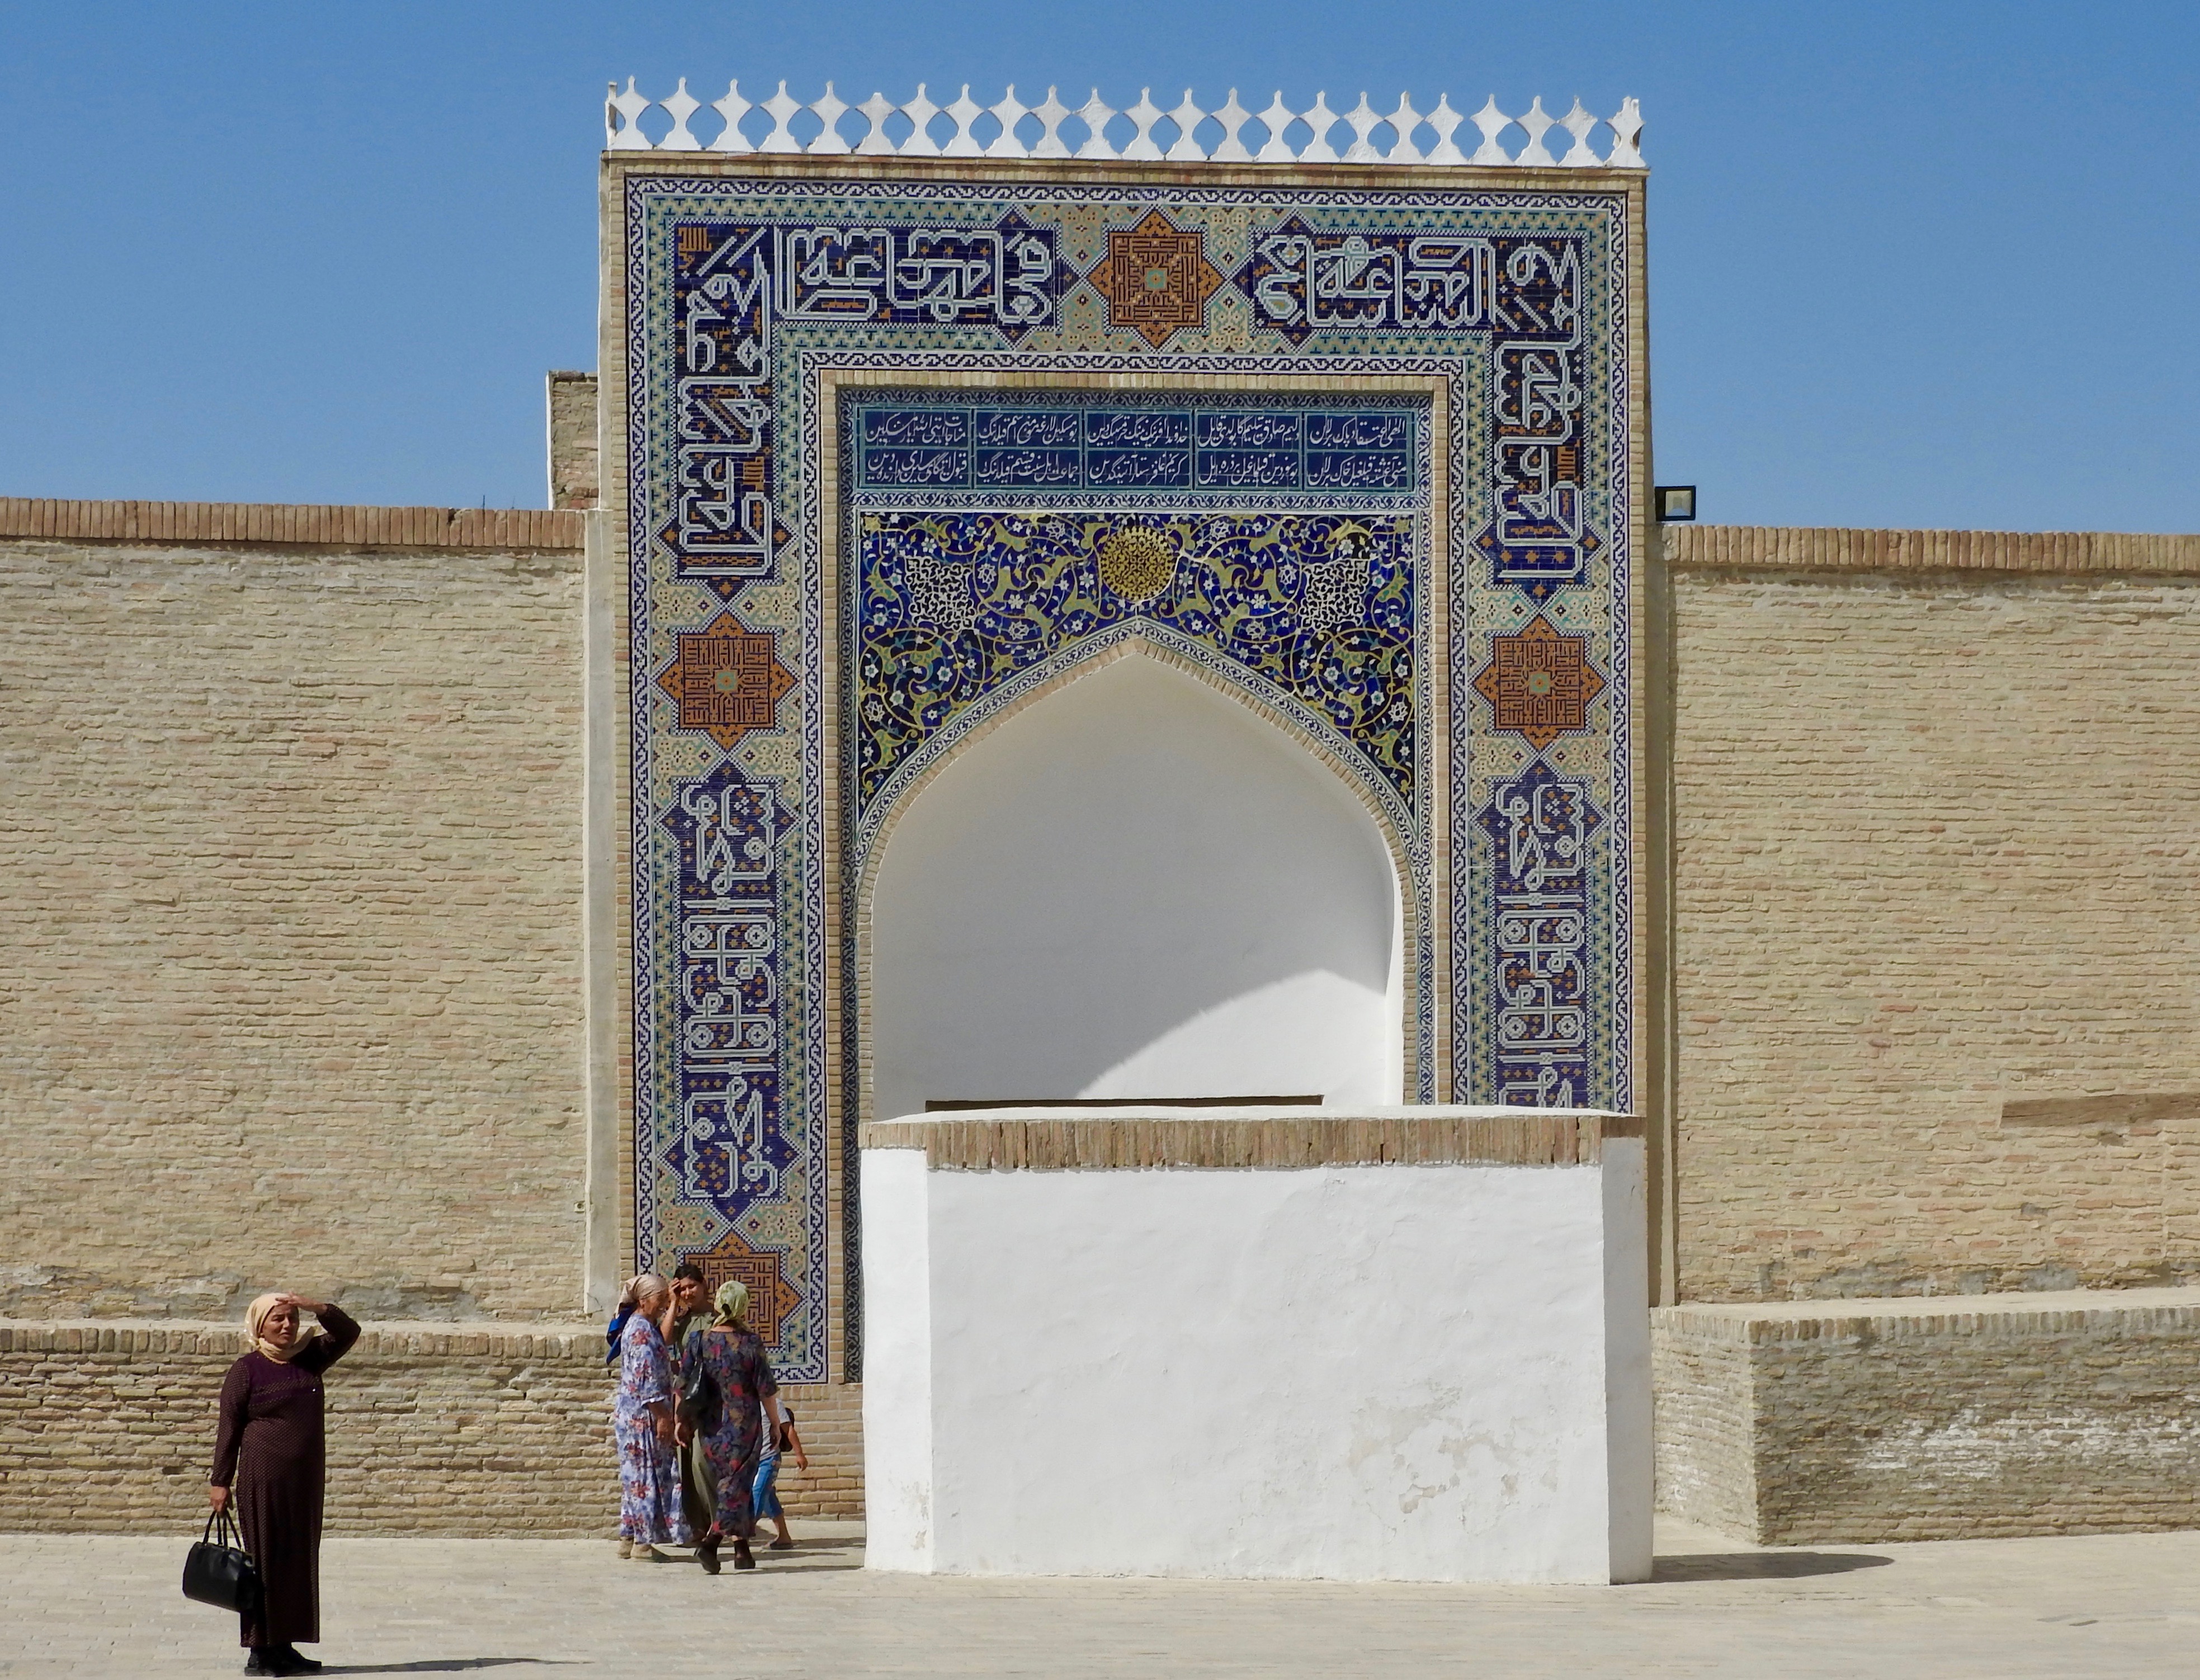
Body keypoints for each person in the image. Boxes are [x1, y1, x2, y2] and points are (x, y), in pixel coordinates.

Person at [209, 1291, 362, 1677]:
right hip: (263, 1480)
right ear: (260, 1324)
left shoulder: (309, 1360)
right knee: (264, 1564)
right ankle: (260, 1652)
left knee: (297, 1562)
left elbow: (349, 1331)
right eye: (277, 1319)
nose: (287, 1325)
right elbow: (230, 1429)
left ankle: (286, 1647)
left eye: (292, 1318)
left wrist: (316, 1305)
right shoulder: (248, 1370)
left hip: (304, 1482)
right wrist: (220, 1482)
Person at [677, 1279, 783, 1574]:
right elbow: (766, 1390)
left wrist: (680, 1420)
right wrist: (776, 1424)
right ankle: (711, 1544)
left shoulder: (699, 1340)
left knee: (733, 1487)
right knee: (736, 1486)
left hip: (711, 1427)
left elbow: (683, 1384)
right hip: (743, 1426)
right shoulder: (750, 1343)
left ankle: (742, 1552)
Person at [612, 1273, 691, 1562]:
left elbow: (656, 1353)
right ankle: (643, 1545)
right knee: (645, 1477)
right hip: (643, 1417)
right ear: (644, 1300)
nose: (662, 1304)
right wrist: (663, 1418)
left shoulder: (640, 1326)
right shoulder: (642, 1331)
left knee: (634, 1478)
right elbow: (646, 1382)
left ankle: (628, 1536)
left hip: (633, 1414)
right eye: (660, 1299)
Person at [657, 1263, 713, 1540]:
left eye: (693, 1287)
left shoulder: (718, 1318)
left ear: (704, 1285)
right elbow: (664, 1340)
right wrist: (673, 1302)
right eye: (684, 1288)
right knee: (686, 1460)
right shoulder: (682, 1322)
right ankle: (697, 1527)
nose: (689, 1293)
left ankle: (719, 1522)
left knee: (707, 1461)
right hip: (685, 1398)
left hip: (713, 1400)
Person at [752, 1397, 809, 1551]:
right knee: (769, 1497)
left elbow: (788, 1429)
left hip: (769, 1460)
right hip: (752, 1461)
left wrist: (799, 1454)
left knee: (758, 1492)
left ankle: (744, 1533)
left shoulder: (774, 1404)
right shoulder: (745, 1403)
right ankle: (783, 1537)